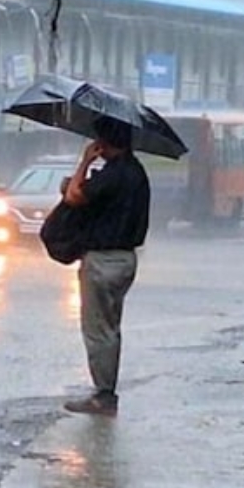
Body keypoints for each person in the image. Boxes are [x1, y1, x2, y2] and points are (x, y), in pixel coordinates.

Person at [60, 116, 151, 416]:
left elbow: (75, 196)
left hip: (102, 260)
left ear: (105, 142)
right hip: (126, 260)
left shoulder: (113, 174)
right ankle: (107, 389)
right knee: (111, 327)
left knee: (97, 329)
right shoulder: (137, 173)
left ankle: (104, 395)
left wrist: (84, 161)